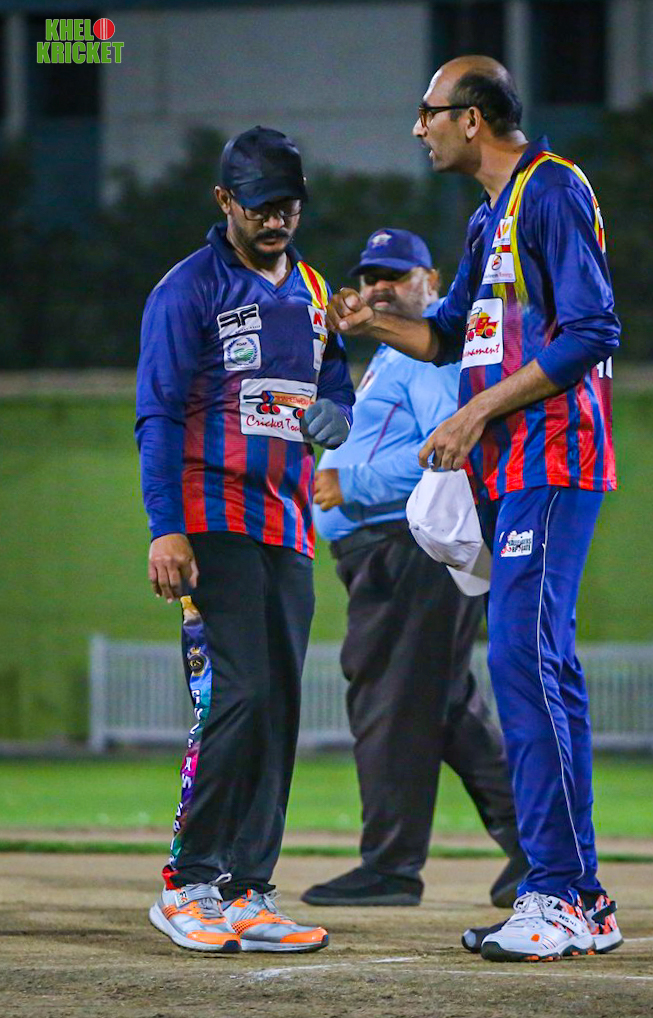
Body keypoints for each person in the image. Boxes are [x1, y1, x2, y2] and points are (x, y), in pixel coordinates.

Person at [326, 57, 624, 963]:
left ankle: (555, 894)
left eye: (430, 111)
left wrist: (474, 411)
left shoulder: (552, 189)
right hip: (514, 469)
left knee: (527, 662)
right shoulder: (489, 215)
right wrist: (371, 322)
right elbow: (449, 332)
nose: (418, 127)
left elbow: (594, 328)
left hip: (554, 459)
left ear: (474, 118)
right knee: (537, 665)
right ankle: (579, 896)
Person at [135, 126, 355, 954]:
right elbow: (157, 414)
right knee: (240, 692)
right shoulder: (186, 289)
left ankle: (249, 890)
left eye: (288, 206)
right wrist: (166, 528)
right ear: (225, 200)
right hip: (210, 519)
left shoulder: (314, 290)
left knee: (281, 703)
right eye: (261, 207)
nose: (276, 221)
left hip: (287, 524)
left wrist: (339, 414)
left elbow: (336, 387)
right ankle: (189, 882)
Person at [300, 228, 528, 909]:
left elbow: (454, 443)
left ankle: (391, 866)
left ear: (431, 281)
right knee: (445, 706)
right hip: (396, 552)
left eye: (396, 275)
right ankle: (537, 847)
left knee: (390, 704)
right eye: (370, 276)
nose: (379, 287)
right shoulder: (390, 356)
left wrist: (352, 482)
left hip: (405, 550)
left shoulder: (428, 354)